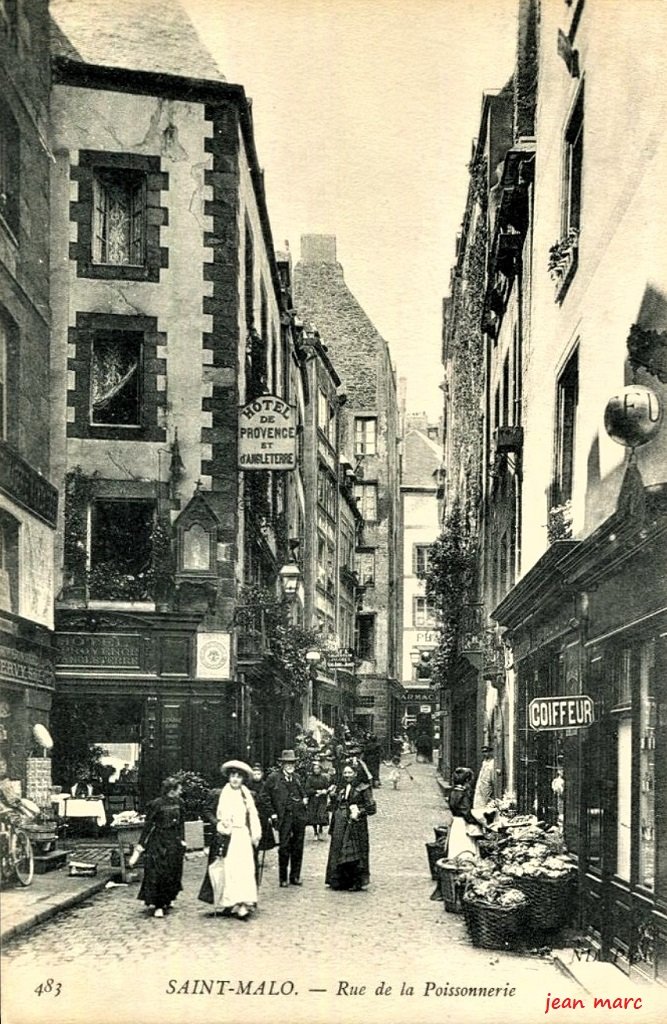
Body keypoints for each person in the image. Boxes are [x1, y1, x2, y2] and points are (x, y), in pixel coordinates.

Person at [198, 760, 261, 920]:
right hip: (225, 837)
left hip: (242, 836)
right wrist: (218, 823)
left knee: (244, 870)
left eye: (238, 777)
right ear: (228, 777)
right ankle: (229, 901)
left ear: (242, 780)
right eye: (232, 776)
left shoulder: (247, 796)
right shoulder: (219, 794)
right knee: (228, 871)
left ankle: (242, 904)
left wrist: (256, 833)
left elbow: (253, 816)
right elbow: (207, 811)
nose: (235, 780)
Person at [135, 776, 186, 918]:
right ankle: (158, 905)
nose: (181, 791)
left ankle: (168, 899)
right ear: (172, 790)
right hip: (158, 841)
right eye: (179, 789)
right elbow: (148, 824)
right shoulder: (156, 804)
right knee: (158, 872)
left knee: (172, 872)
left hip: (174, 841)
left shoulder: (180, 803)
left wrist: (183, 840)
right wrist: (141, 843)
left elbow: (181, 823)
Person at [325, 761, 376, 891]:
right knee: (338, 850)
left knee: (354, 853)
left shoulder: (363, 787)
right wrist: (332, 797)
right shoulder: (341, 787)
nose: (347, 775)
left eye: (350, 773)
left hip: (356, 825)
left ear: (356, 773)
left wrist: (359, 811)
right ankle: (339, 881)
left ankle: (356, 882)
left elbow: (371, 808)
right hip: (340, 824)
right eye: (345, 773)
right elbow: (334, 805)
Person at [264, 749, 308, 887]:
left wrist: (304, 800)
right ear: (281, 765)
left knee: (298, 846)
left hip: (298, 817)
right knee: (284, 847)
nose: (290, 766)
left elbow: (304, 793)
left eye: (292, 763)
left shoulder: (297, 778)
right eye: (287, 763)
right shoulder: (274, 778)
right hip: (284, 818)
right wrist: (272, 813)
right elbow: (264, 797)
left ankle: (295, 876)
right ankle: (283, 878)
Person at [447, 767, 482, 860]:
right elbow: (466, 812)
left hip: (455, 823)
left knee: (455, 850)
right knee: (465, 850)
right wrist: (478, 821)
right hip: (463, 825)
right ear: (466, 780)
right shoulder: (463, 794)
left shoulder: (453, 792)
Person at [304, 757, 330, 840]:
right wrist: (315, 791)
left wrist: (325, 791)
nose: (316, 770)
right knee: (313, 816)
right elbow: (307, 789)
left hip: (322, 799)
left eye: (318, 768)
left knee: (321, 815)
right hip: (313, 800)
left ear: (320, 769)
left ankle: (321, 829)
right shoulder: (310, 778)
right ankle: (315, 832)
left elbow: (328, 787)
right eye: (315, 768)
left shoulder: (324, 778)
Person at [472, 744, 497, 822]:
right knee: (478, 803)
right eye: (483, 752)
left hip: (487, 785)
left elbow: (492, 776)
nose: (485, 754)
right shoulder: (484, 762)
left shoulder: (493, 763)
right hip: (481, 784)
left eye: (486, 752)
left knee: (486, 804)